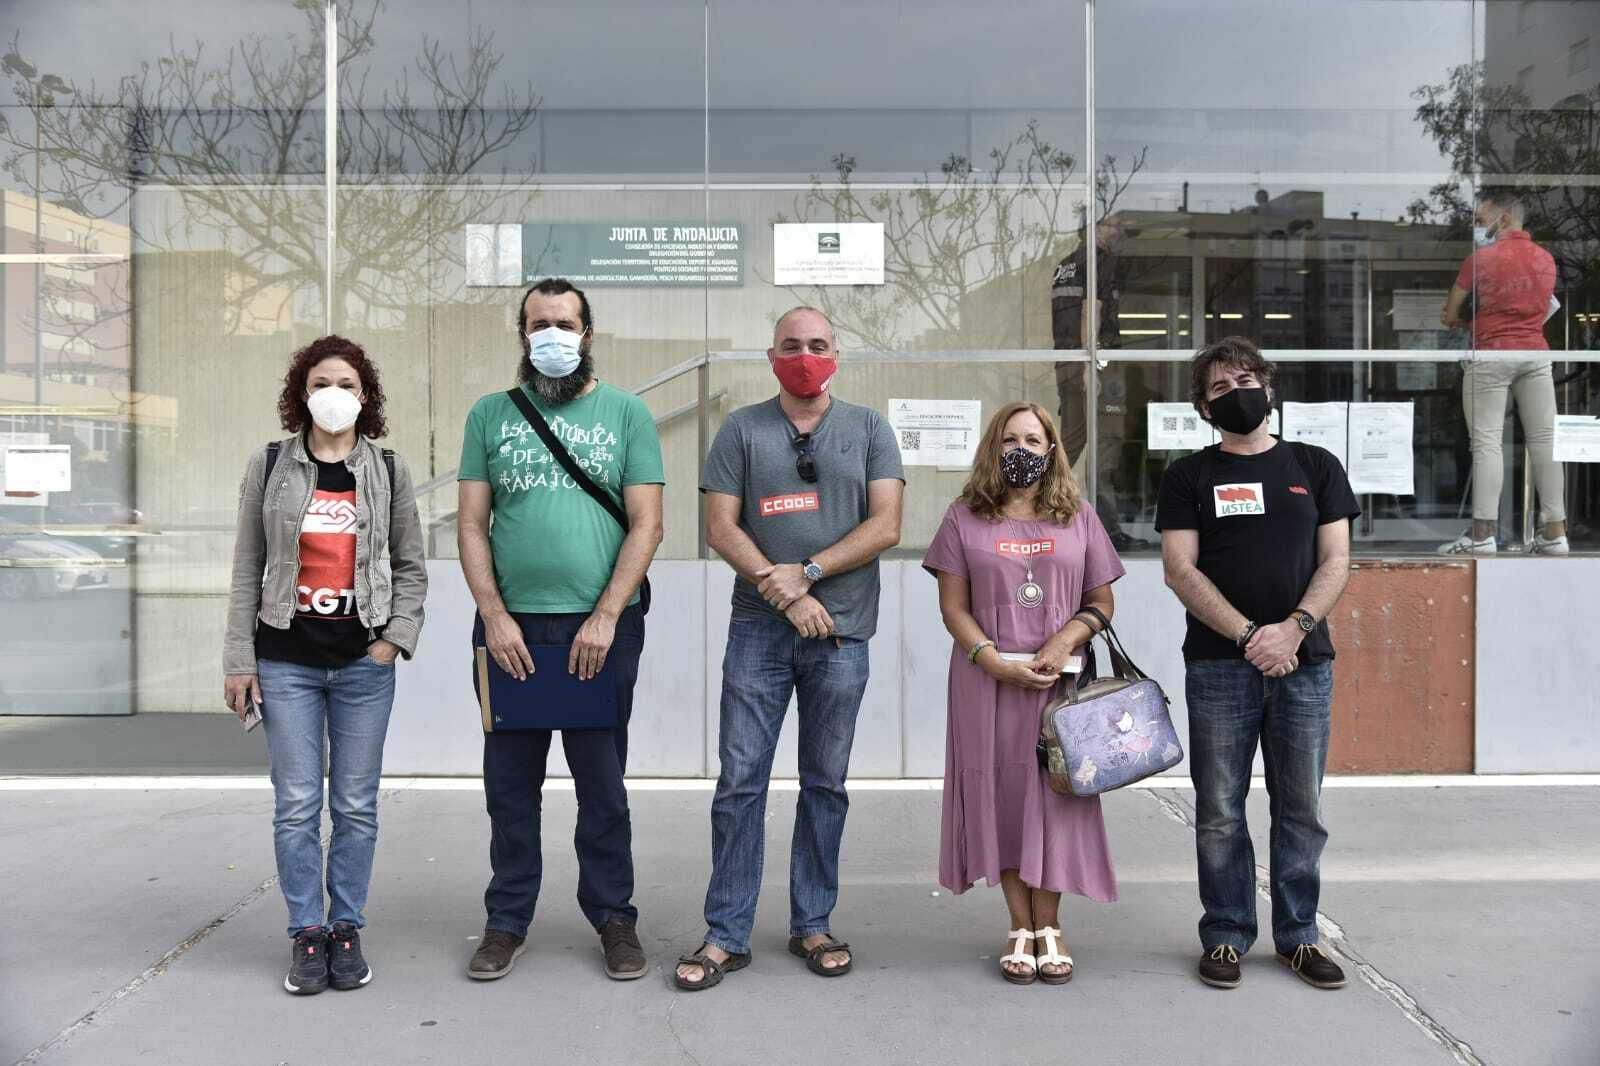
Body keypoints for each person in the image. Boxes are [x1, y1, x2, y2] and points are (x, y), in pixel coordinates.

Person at [674, 306, 904, 991]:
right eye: (792, 346)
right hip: (759, 633)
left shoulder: (868, 430)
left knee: (825, 784)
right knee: (740, 782)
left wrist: (807, 575)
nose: (805, 355)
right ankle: (726, 933)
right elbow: (721, 527)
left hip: (842, 634)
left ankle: (814, 922)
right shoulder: (742, 430)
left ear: (837, 351)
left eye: (818, 344)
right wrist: (786, 598)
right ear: (771, 354)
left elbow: (887, 524)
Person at [457, 277, 664, 982]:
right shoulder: (490, 414)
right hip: (511, 630)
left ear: (588, 333)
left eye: (565, 323)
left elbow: (648, 523)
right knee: (509, 788)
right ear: (522, 334)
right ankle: (506, 921)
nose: (552, 334)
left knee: (601, 787)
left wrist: (607, 613)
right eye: (538, 323)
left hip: (600, 631)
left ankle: (614, 918)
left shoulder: (627, 413)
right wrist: (493, 615)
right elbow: (470, 523)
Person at [222, 335, 428, 996]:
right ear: (301, 394)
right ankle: (307, 933)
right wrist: (238, 660)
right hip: (286, 660)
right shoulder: (270, 465)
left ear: (364, 396)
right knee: (298, 804)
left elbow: (410, 567)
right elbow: (246, 568)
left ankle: (346, 927)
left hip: (365, 664)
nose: (332, 394)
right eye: (319, 383)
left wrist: (393, 639)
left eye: (345, 383)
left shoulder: (388, 471)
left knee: (356, 804)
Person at [1155, 337, 1360, 991]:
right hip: (1219, 666)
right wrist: (1251, 636)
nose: (1235, 392)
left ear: (1269, 388)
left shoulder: (1315, 465)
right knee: (1219, 808)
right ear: (1202, 407)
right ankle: (1225, 934)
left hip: (1305, 665)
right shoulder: (1189, 476)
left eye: (1245, 379)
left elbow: (1337, 561)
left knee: (1301, 808)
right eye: (1219, 387)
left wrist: (1293, 630)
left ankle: (1298, 936)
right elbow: (1179, 569)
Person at [921, 401, 1124, 986]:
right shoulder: (964, 517)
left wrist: (1063, 640)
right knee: (1005, 795)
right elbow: (952, 607)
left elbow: (1103, 601)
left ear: (1052, 449)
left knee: (1059, 795)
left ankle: (1050, 924)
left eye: (1034, 441)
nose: (1022, 451)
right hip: (986, 683)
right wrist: (990, 659)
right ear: (993, 448)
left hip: (1063, 686)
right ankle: (1019, 924)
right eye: (1010, 440)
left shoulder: (1078, 515)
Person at [1438, 188, 1567, 556]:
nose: (1479, 227)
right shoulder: (1546, 260)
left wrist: (1466, 320)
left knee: (1486, 443)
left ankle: (1482, 533)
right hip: (1535, 355)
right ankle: (1555, 532)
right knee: (1545, 442)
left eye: (1481, 219)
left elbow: (1450, 313)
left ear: (1504, 217)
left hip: (1491, 356)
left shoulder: (1480, 260)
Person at [1051, 215, 1149, 551]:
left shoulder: (1066, 264)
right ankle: (1105, 530)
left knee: (1072, 441)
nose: (1118, 232)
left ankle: (1036, 506)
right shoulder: (1099, 262)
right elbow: (1089, 312)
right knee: (1107, 442)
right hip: (1092, 365)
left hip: (1068, 363)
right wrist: (1089, 365)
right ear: (1092, 230)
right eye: (1112, 226)